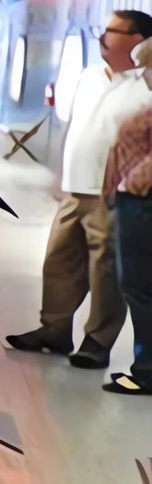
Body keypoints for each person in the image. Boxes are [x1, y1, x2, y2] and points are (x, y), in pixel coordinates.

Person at [8, 9, 152, 365]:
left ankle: (97, 342)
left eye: (113, 31)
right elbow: (74, 127)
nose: (102, 37)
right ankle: (54, 329)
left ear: (138, 41)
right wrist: (60, 177)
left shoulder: (146, 85)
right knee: (58, 259)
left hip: (112, 193)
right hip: (76, 187)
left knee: (105, 269)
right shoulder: (89, 76)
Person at [103, 37, 152, 394]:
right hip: (135, 198)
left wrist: (132, 183)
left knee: (139, 285)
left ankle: (147, 369)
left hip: (142, 202)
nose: (144, 75)